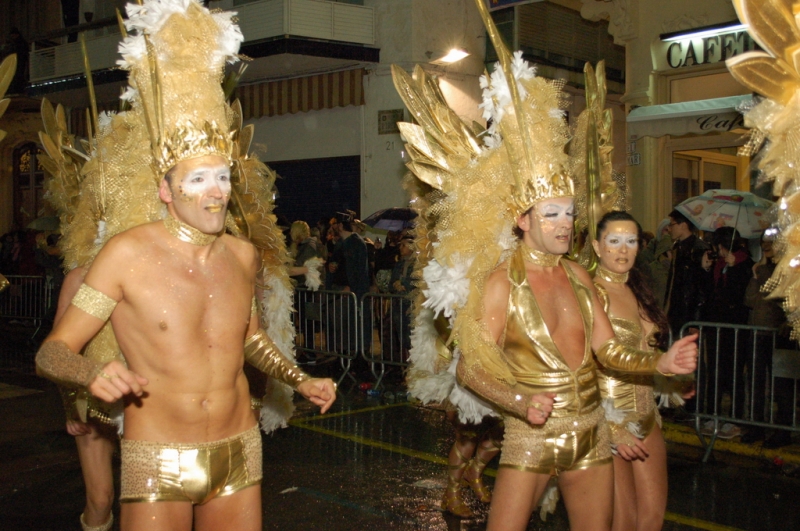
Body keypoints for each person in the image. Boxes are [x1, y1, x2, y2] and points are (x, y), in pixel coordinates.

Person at [34, 2, 336, 530]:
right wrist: (92, 372)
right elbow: (52, 352)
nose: (215, 192)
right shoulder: (125, 254)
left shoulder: (242, 255)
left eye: (221, 177)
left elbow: (249, 338)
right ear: (166, 190)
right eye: (197, 180)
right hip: (159, 458)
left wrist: (299, 377)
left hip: (239, 450)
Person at [592, 211, 687, 531]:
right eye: (614, 241)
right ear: (597, 246)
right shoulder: (590, 293)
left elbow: (646, 352)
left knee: (650, 520)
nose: (623, 250)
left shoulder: (637, 289)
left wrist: (673, 378)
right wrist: (610, 427)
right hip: (608, 420)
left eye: (631, 241)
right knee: (624, 522)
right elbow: (584, 364)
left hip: (647, 416)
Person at [54, 267, 120, 531]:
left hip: (145, 403)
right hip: (93, 403)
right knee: (100, 500)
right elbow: (59, 351)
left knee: (145, 502)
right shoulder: (80, 277)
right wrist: (71, 405)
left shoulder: (158, 274)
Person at [699, 227, 753, 431]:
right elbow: (709, 293)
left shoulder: (745, 263)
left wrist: (734, 268)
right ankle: (712, 414)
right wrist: (705, 269)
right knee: (715, 371)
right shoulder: (718, 264)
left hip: (735, 327)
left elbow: (741, 294)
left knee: (734, 372)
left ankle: (735, 418)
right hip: (716, 326)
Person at [742, 234, 793, 447]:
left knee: (781, 386)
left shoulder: (789, 269)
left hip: (778, 334)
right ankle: (756, 427)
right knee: (756, 382)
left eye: (770, 242)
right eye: (763, 242)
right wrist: (756, 275)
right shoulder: (762, 269)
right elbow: (749, 300)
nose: (766, 246)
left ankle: (783, 431)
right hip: (758, 333)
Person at [664, 209, 709, 336]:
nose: (669, 229)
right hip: (675, 311)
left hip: (688, 313)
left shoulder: (699, 249)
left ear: (683, 225)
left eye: (672, 224)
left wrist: (696, 320)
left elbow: (702, 287)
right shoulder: (677, 248)